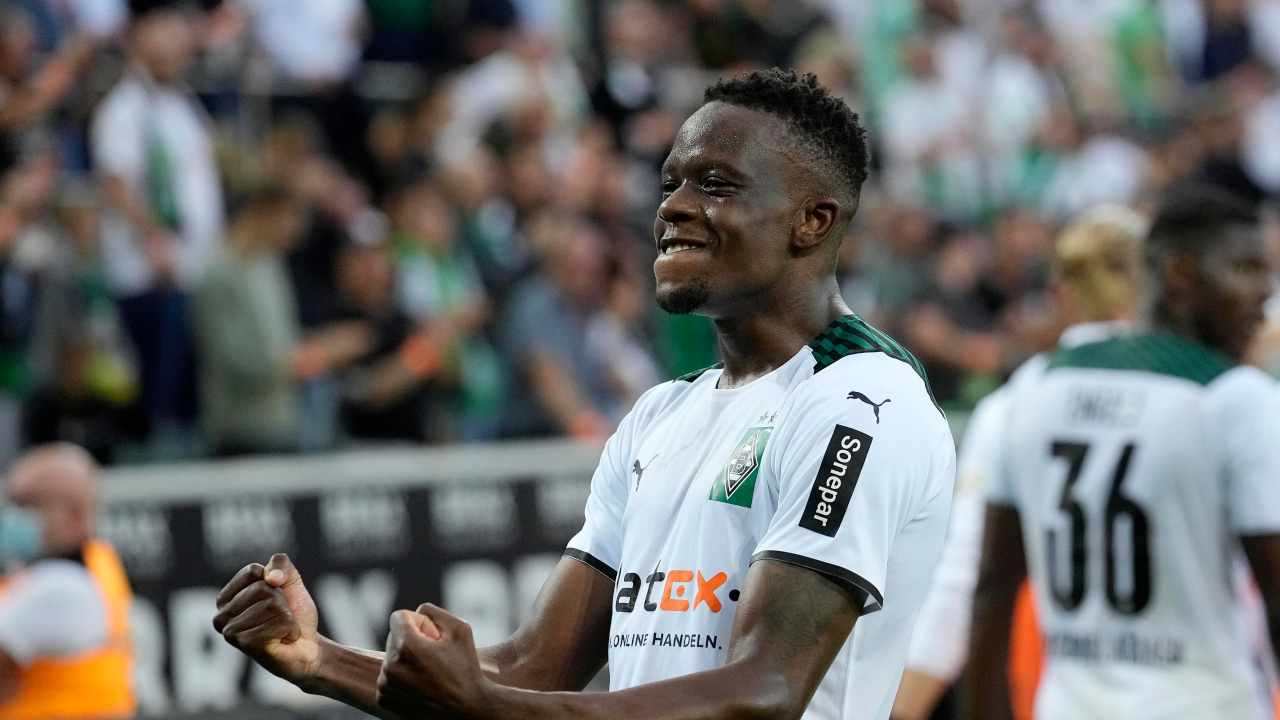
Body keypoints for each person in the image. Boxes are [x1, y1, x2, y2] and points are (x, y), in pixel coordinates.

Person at [214, 68, 955, 720]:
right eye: (670, 184)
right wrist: (318, 658)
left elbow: (763, 693)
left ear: (811, 221)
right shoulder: (661, 415)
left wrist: (484, 706)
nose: (673, 208)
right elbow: (533, 668)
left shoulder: (863, 401)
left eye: (716, 184)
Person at [964, 185, 1280, 720]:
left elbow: (992, 591)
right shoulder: (1235, 398)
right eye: (1246, 269)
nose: (1265, 293)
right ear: (1179, 274)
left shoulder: (1032, 388)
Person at [892, 204, 1147, 720]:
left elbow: (967, 573)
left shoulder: (1015, 405)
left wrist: (906, 705)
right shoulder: (1204, 396)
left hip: (1060, 681)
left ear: (1060, 294)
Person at [91, 4, 223, 450]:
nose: (178, 40)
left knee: (188, 397)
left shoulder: (182, 103)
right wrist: (155, 240)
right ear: (139, 36)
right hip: (149, 275)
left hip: (191, 270)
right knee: (158, 401)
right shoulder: (125, 108)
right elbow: (117, 184)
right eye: (165, 29)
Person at [0, 443, 134, 718]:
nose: (13, 518)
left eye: (28, 505)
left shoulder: (59, 584)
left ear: (74, 514)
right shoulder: (100, 559)